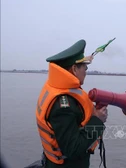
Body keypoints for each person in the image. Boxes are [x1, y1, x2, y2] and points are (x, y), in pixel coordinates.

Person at [35, 39, 108, 168]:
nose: (86, 71)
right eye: (85, 67)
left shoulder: (57, 88)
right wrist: (97, 120)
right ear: (74, 69)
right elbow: (73, 149)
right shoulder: (63, 106)